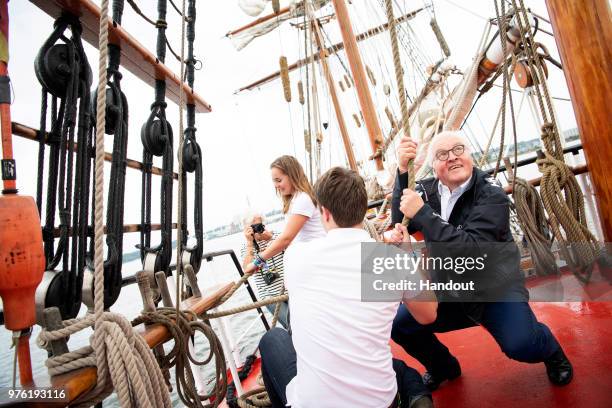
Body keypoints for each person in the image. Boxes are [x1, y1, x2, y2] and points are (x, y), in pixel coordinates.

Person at [390, 130, 573, 391]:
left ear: (470, 156)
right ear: (433, 166)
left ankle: (552, 351)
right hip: (450, 291)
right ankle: (443, 366)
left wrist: (423, 213)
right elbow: (399, 214)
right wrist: (402, 169)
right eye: (442, 154)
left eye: (458, 150)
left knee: (522, 344)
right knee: (401, 324)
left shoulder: (491, 195)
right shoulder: (426, 191)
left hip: (494, 290)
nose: (452, 158)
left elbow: (472, 251)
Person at [258, 167, 437, 408]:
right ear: (363, 210)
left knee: (273, 339)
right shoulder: (390, 260)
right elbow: (428, 315)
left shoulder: (296, 257)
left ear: (325, 212)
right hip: (381, 402)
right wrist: (407, 254)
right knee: (397, 370)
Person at [244, 156, 325, 277]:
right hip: (311, 260)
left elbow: (287, 239)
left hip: (317, 261)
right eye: (274, 181)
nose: (276, 185)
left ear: (292, 176)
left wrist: (257, 262)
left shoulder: (303, 199)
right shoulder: (295, 200)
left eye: (278, 180)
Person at [241, 212, 290, 329]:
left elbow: (292, 247)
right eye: (255, 227)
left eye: (260, 225)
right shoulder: (247, 248)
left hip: (290, 289)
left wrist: (271, 238)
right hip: (270, 296)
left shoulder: (277, 236)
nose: (259, 229)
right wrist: (249, 244)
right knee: (291, 325)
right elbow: (248, 270)